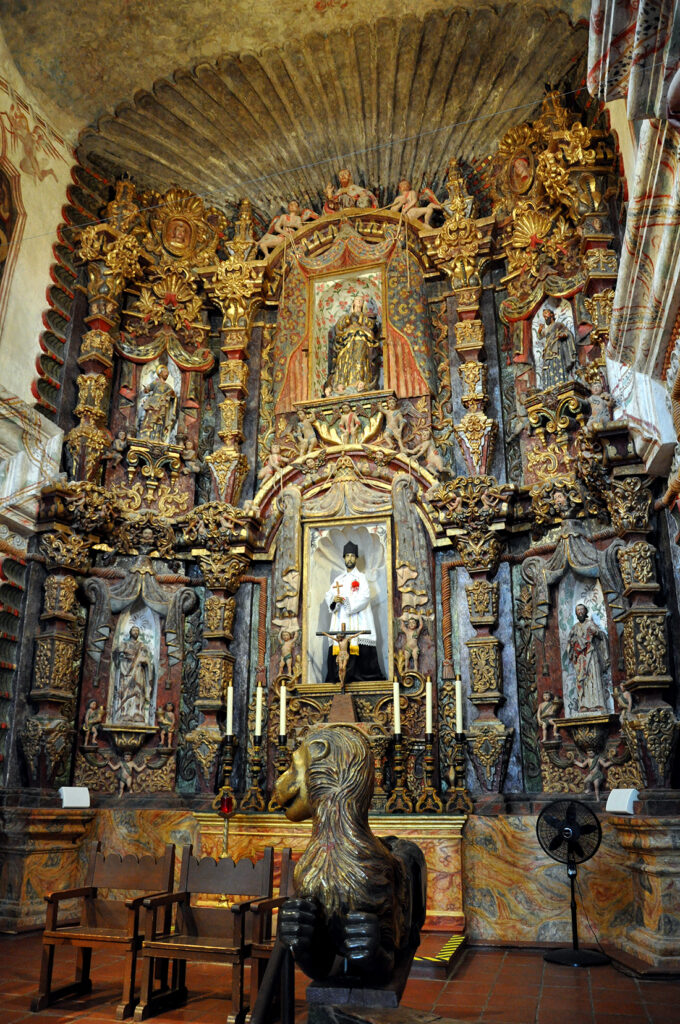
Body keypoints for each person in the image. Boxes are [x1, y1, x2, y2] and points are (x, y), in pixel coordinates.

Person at [323, 541, 383, 683]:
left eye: (352, 556)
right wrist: (334, 600)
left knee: (359, 646)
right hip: (340, 620)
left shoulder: (361, 578)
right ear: (344, 558)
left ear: (356, 558)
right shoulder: (338, 579)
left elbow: (365, 596)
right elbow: (328, 596)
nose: (349, 559)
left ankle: (361, 679)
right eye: (347, 556)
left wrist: (348, 602)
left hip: (358, 618)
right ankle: (338, 679)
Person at [329, 296, 381, 394]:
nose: (359, 301)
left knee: (360, 360)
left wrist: (361, 318)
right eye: (357, 300)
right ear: (353, 302)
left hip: (361, 340)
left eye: (361, 300)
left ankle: (360, 383)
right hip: (347, 341)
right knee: (346, 360)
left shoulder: (366, 316)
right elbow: (339, 327)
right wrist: (349, 318)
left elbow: (371, 326)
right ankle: (343, 384)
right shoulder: (346, 316)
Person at [567, 604, 609, 713]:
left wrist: (595, 633)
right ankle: (583, 704)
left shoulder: (590, 624)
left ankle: (598, 703)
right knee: (582, 680)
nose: (580, 612)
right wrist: (574, 642)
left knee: (593, 677)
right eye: (578, 610)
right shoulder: (575, 628)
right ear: (576, 614)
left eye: (582, 610)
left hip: (591, 654)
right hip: (581, 658)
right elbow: (569, 643)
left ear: (586, 612)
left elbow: (601, 636)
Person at [113, 626, 155, 724]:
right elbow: (115, 654)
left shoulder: (142, 646)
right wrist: (124, 651)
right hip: (126, 669)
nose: (135, 632)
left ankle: (138, 713)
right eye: (133, 630)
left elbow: (147, 659)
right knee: (125, 690)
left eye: (137, 631)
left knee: (138, 690)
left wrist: (144, 660)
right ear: (130, 632)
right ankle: (124, 713)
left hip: (138, 670)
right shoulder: (125, 644)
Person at [536, 307, 576, 389]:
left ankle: (560, 383)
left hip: (556, 347)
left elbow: (567, 332)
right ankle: (549, 385)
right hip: (548, 349)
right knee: (548, 366)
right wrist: (539, 331)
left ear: (552, 314)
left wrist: (563, 335)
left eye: (546, 314)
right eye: (544, 316)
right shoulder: (547, 329)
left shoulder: (558, 325)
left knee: (557, 363)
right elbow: (540, 337)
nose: (545, 317)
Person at [138, 365, 177, 442]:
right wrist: (146, 389)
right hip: (153, 403)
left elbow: (173, 395)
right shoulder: (156, 382)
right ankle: (146, 435)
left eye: (168, 373)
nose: (167, 374)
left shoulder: (167, 386)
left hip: (162, 405)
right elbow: (147, 390)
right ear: (160, 373)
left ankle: (157, 436)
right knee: (150, 418)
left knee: (160, 420)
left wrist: (171, 395)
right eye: (165, 372)